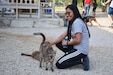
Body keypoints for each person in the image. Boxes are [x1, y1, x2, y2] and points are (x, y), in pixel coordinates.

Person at [50, 4, 90, 71]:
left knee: (59, 64)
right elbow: (63, 35)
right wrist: (52, 42)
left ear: (74, 12)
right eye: (66, 13)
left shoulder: (77, 22)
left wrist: (67, 43)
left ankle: (82, 60)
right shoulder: (71, 21)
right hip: (75, 47)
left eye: (69, 13)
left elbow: (78, 40)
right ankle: (71, 56)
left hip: (80, 50)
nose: (67, 15)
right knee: (59, 43)